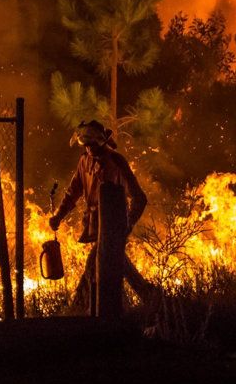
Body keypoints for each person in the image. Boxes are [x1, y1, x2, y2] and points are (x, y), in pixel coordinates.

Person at [48, 120, 159, 314]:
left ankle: (78, 310)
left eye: (92, 144)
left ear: (101, 142)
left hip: (114, 228)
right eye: (86, 145)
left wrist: (127, 224)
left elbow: (139, 198)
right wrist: (58, 216)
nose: (89, 149)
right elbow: (73, 192)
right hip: (95, 226)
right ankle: (153, 301)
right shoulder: (84, 161)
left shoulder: (116, 161)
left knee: (94, 265)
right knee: (117, 265)